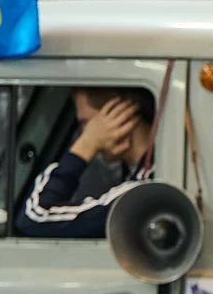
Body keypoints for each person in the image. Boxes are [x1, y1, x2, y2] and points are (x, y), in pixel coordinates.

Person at [16, 87, 157, 238]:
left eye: (86, 123)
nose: (85, 133)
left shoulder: (141, 193)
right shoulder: (142, 176)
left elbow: (36, 217)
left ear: (120, 115)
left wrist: (86, 145)